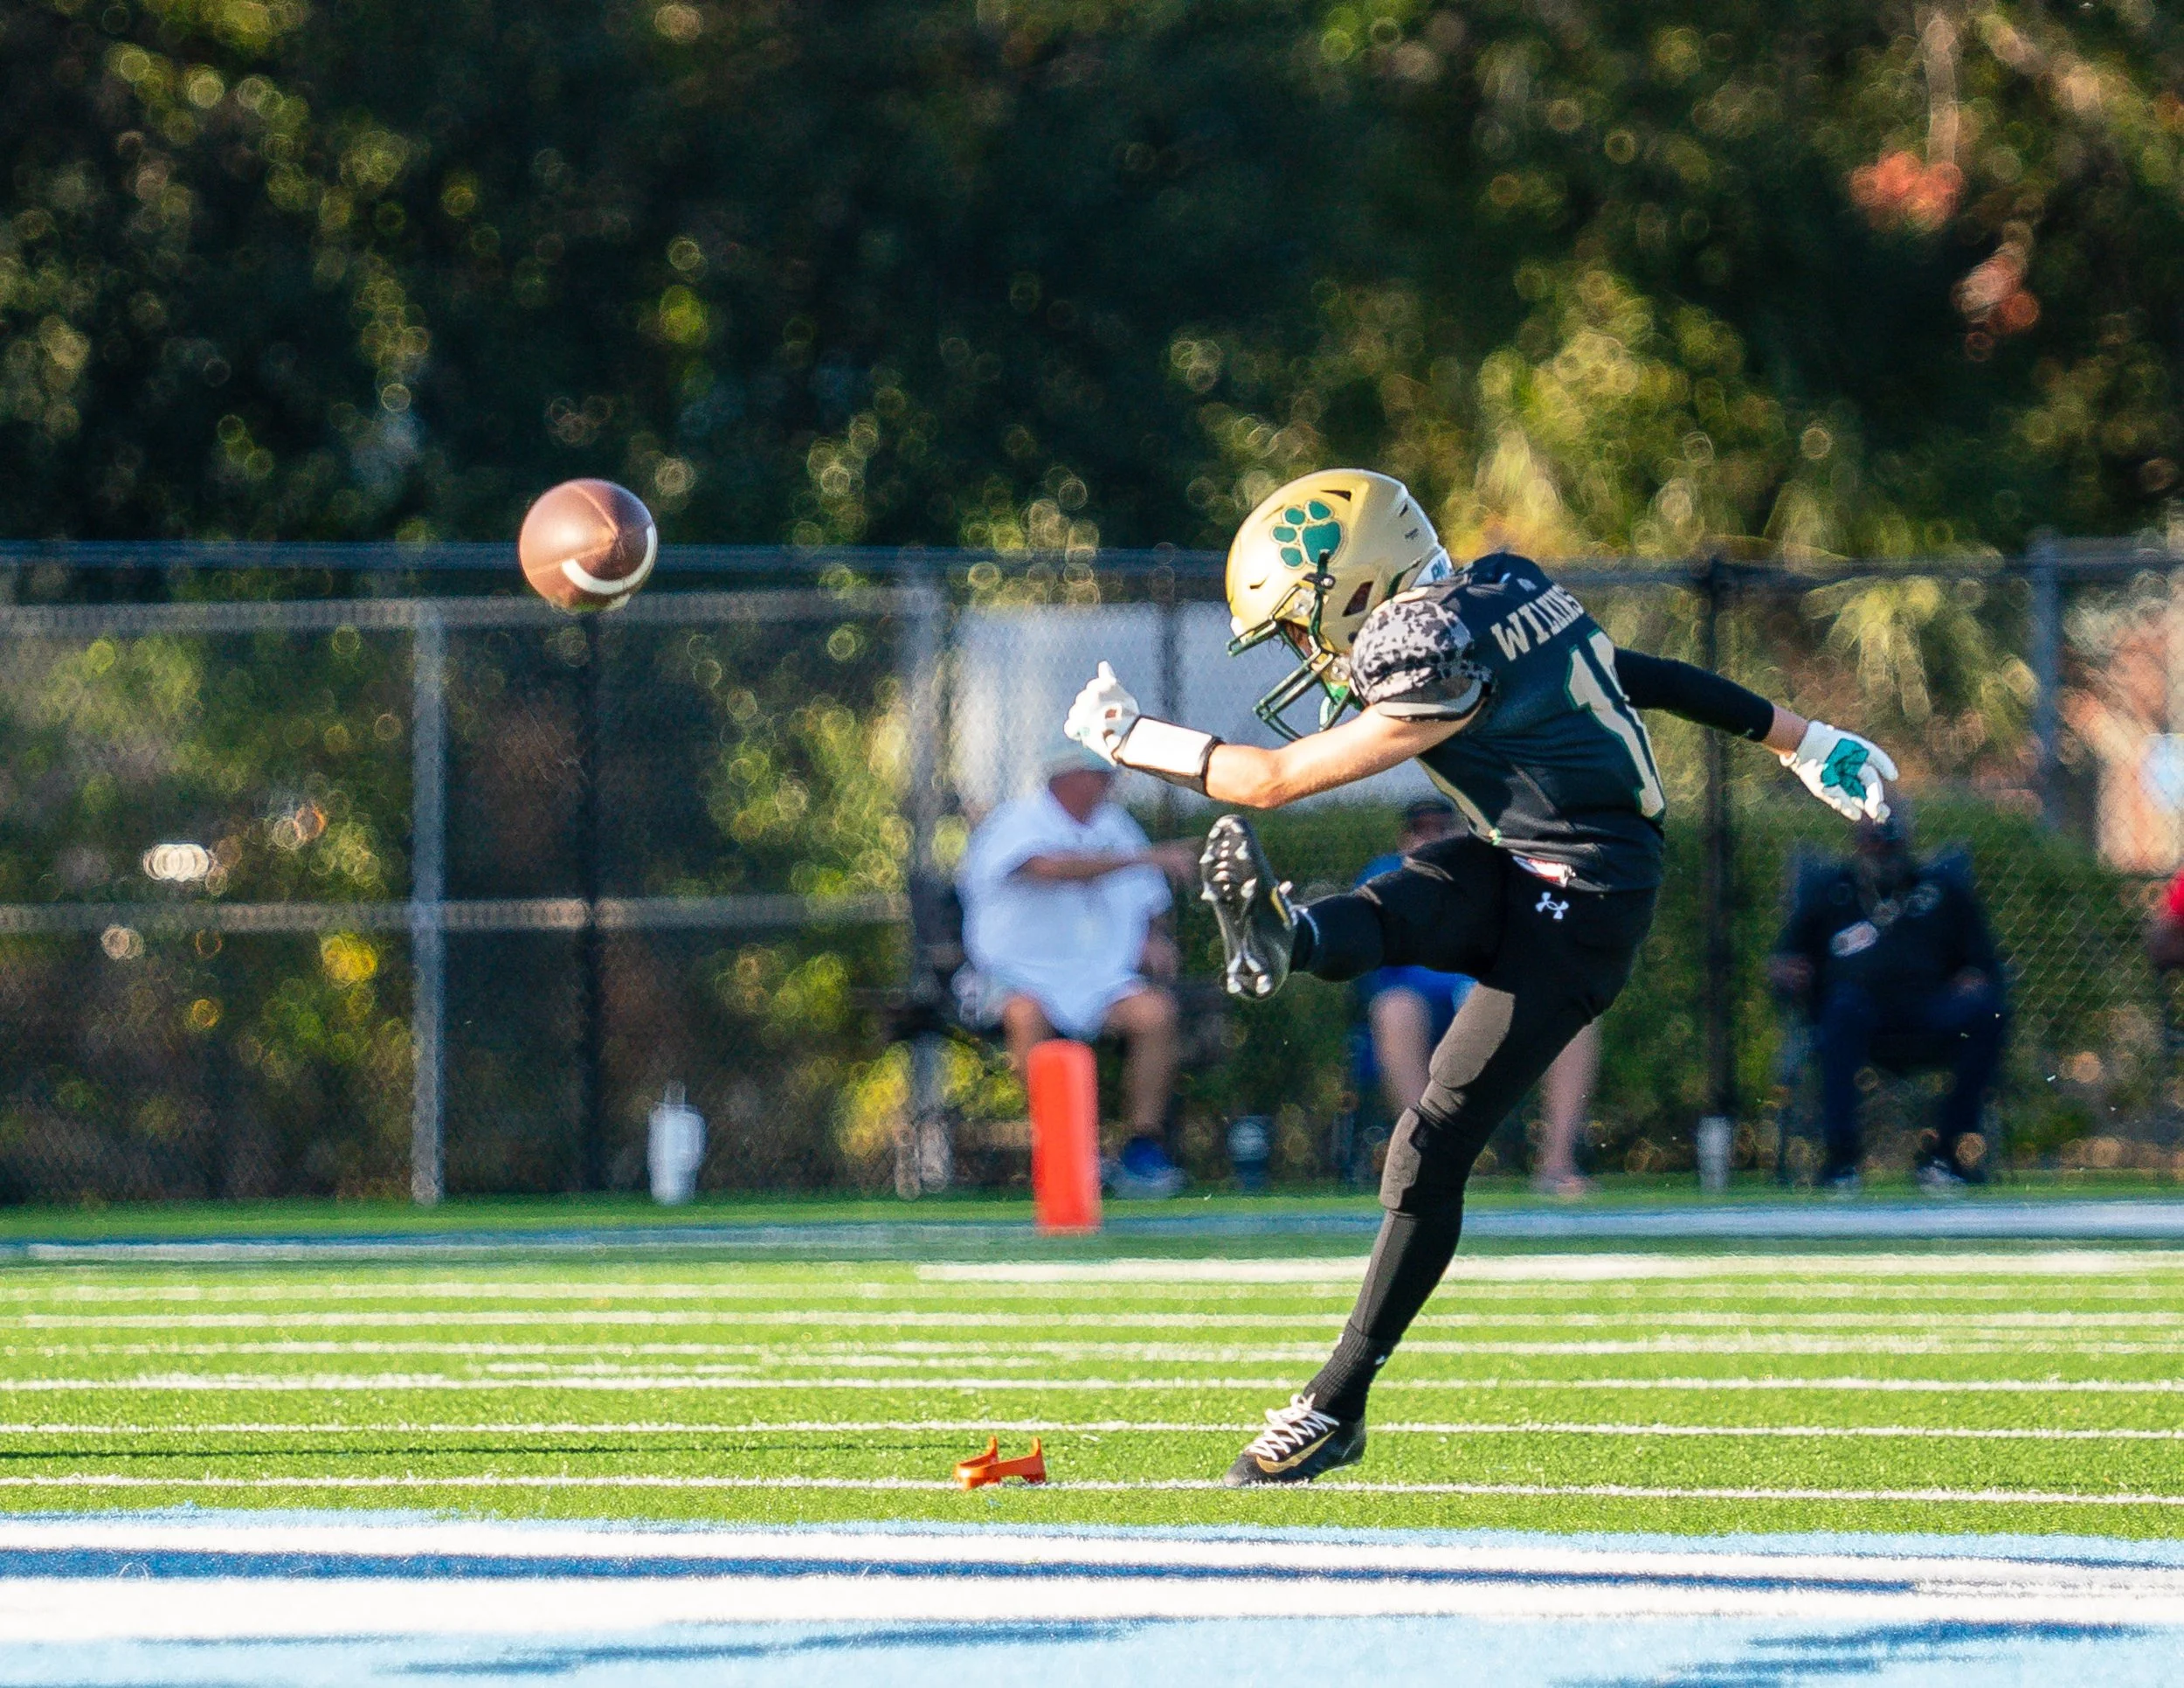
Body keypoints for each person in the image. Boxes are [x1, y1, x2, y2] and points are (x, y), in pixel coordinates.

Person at [1063, 466, 1895, 1484]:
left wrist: (1127, 739)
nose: (1301, 647)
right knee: (1417, 887)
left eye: (1297, 622)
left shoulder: (1432, 649)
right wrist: (1799, 738)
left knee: (1429, 1145)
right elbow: (1635, 668)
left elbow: (1268, 781)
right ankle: (1286, 940)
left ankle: (1335, 1404)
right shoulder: (1503, 592)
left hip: (1584, 903)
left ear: (1357, 586)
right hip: (1520, 857)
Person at [955, 741, 1199, 1197]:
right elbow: (1049, 868)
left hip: (1099, 979)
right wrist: (1146, 858)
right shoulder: (1015, 821)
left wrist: (1153, 938)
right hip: (1012, 976)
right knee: (1025, 1015)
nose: (1108, 784)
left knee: (1156, 1014)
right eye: (1098, 774)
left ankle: (1141, 1150)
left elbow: (1149, 903)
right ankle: (1064, 1149)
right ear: (1063, 776)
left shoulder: (1118, 827)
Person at [1358, 798, 1600, 1196]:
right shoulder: (1385, 877)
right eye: (1421, 829)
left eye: (1443, 827)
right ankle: (1428, 1166)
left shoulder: (1499, 872)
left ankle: (1556, 1165)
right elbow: (1372, 971)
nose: (1432, 837)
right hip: (1424, 1013)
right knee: (1394, 1010)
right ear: (1405, 838)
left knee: (1574, 1018)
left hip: (1497, 1000)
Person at [1768, 806, 2008, 1196]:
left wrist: (1975, 980)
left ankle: (1946, 1155)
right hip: (1857, 1018)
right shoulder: (1831, 894)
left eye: (1890, 838)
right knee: (1842, 1009)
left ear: (1907, 841)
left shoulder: (1942, 893)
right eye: (1872, 838)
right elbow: (1787, 959)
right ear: (1858, 842)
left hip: (1929, 1012)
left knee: (1987, 1012)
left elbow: (1984, 966)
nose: (1882, 848)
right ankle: (1841, 1160)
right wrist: (1786, 973)